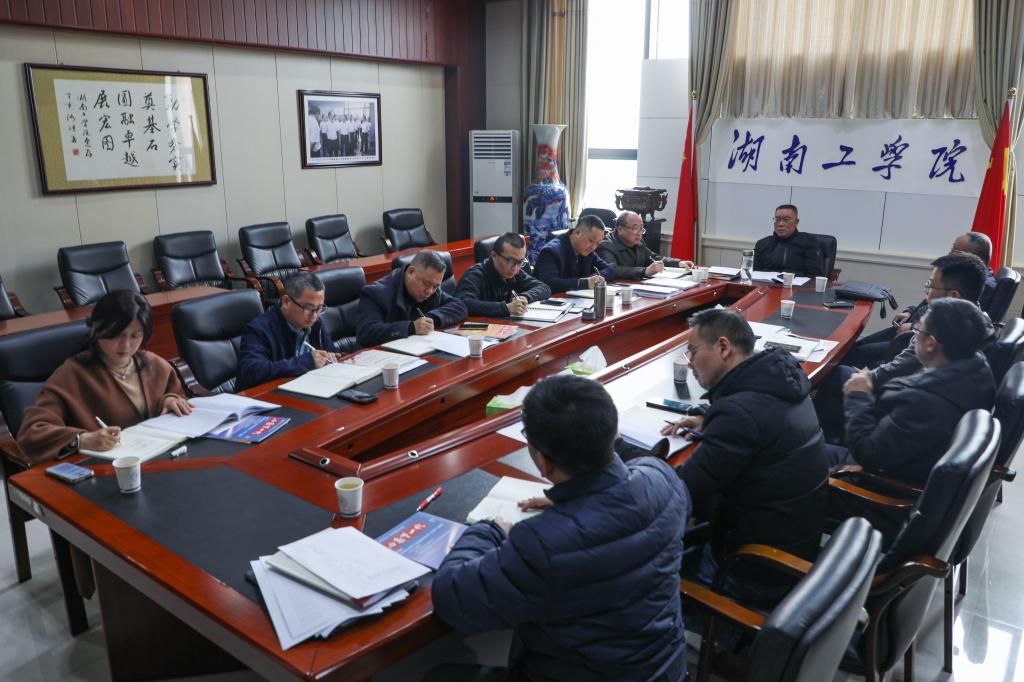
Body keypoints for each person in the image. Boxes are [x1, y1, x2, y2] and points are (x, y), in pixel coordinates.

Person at [429, 375, 689, 682]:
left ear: (543, 462)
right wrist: (577, 497)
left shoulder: (541, 544)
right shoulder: (663, 479)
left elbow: (451, 596)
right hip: (664, 670)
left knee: (439, 676)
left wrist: (490, 530)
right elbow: (632, 486)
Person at [660, 308, 828, 611]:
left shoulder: (738, 415)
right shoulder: (782, 380)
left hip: (753, 569)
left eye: (692, 351)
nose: (691, 364)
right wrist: (710, 419)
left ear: (723, 347)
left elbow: (685, 494)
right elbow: (761, 422)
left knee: (643, 569)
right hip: (794, 545)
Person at [826, 299, 995, 540]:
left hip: (875, 493)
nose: (915, 336)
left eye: (918, 332)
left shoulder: (925, 402)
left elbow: (867, 453)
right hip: (906, 467)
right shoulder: (978, 369)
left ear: (931, 344)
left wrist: (858, 395)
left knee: (786, 458)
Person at [813, 252, 989, 442]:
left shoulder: (940, 331)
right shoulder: (978, 322)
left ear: (954, 295)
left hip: (904, 411)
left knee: (837, 374)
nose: (926, 292)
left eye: (930, 286)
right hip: (919, 403)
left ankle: (818, 440)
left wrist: (864, 383)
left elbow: (902, 367)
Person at [17, 290, 192, 465]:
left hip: (159, 459)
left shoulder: (154, 364)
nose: (126, 345)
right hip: (103, 467)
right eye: (117, 334)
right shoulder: (71, 374)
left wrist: (169, 400)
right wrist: (81, 439)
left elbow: (175, 395)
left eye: (135, 335)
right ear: (97, 329)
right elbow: (32, 433)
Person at [842, 233, 995, 370]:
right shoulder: (957, 274)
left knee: (853, 354)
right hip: (910, 330)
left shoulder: (978, 285)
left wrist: (915, 327)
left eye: (954, 250)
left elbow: (954, 324)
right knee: (853, 347)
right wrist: (910, 311)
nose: (949, 253)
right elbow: (930, 303)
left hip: (911, 338)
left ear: (969, 256)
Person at [236, 271, 343, 391]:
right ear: (286, 302)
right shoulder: (259, 329)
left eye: (320, 308)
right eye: (308, 308)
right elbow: (252, 371)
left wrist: (332, 357)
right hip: (266, 395)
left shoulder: (316, 322)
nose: (314, 315)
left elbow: (331, 352)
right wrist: (306, 362)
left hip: (306, 389)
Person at [355, 249, 468, 347]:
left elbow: (460, 307)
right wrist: (410, 328)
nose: (429, 291)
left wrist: (430, 320)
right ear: (411, 272)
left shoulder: (433, 291)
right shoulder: (375, 293)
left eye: (435, 286)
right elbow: (366, 332)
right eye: (426, 283)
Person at [455, 233, 551, 317]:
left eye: (520, 262)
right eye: (511, 261)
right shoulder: (474, 275)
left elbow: (544, 287)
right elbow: (464, 303)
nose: (515, 268)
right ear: (494, 255)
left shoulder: (514, 272)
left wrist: (525, 297)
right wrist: (506, 308)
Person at [596, 211, 694, 280]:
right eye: (635, 228)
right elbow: (612, 270)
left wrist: (678, 263)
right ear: (620, 229)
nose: (639, 233)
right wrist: (645, 271)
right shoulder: (606, 245)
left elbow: (653, 257)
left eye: (641, 228)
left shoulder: (638, 242)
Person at [534, 215, 615, 294]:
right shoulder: (551, 251)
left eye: (597, 243)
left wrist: (595, 278)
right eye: (591, 240)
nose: (593, 247)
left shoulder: (587, 251)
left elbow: (608, 270)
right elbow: (549, 284)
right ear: (577, 233)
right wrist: (585, 283)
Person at [752, 204, 827, 277]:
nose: (780, 224)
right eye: (777, 219)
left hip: (796, 284)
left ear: (796, 222)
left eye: (786, 219)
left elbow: (815, 275)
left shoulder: (809, 242)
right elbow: (753, 272)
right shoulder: (762, 243)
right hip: (765, 284)